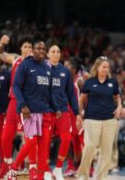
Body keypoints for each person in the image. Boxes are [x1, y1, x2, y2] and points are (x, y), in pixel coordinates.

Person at [8, 37, 56, 180]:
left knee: (43, 146)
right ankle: (14, 168)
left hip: (46, 112)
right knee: (31, 142)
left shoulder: (48, 68)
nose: (41, 51)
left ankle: (39, 176)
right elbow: (16, 86)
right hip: (30, 111)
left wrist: (56, 108)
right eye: (38, 48)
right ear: (33, 50)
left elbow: (49, 91)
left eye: (43, 49)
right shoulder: (25, 65)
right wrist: (22, 105)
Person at [0, 35, 36, 180]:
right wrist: (1, 43)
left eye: (30, 47)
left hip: (29, 105)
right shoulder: (16, 59)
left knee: (29, 138)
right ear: (21, 49)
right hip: (14, 102)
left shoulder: (37, 63)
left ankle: (31, 168)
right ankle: (7, 165)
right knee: (6, 137)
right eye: (25, 47)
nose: (28, 50)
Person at [76, 56, 121, 180]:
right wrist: (79, 115)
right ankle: (82, 175)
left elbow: (117, 97)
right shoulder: (90, 82)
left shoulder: (113, 82)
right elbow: (81, 101)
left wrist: (119, 107)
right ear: (97, 67)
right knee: (90, 146)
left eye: (107, 67)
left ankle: (100, 177)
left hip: (109, 120)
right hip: (91, 119)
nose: (106, 69)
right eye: (103, 67)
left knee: (106, 151)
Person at [47, 45, 82, 180]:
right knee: (45, 141)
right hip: (47, 111)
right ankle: (45, 169)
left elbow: (72, 95)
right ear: (48, 55)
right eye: (53, 52)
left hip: (63, 110)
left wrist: (77, 113)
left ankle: (58, 168)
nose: (56, 54)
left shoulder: (65, 72)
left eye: (58, 51)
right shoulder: (43, 70)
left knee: (66, 139)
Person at [64, 58, 86, 177]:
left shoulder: (79, 81)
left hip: (78, 115)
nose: (64, 67)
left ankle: (88, 166)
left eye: (67, 65)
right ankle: (72, 166)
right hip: (67, 114)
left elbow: (86, 98)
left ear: (73, 69)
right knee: (71, 142)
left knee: (83, 142)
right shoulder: (65, 80)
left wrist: (82, 113)